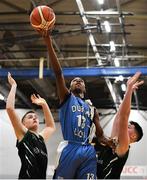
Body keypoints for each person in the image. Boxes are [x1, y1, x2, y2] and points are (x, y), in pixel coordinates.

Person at [41, 33, 112, 179]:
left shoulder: (92, 109)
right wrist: (48, 40)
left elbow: (99, 135)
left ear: (85, 88)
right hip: (70, 147)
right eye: (74, 80)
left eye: (81, 81)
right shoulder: (67, 99)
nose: (78, 81)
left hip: (88, 150)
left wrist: (109, 142)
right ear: (70, 86)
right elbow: (59, 74)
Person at [93, 72, 144, 179]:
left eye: (129, 127)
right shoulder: (114, 141)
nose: (126, 126)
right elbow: (118, 117)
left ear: (133, 136)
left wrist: (129, 88)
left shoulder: (123, 147)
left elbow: (124, 118)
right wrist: (126, 95)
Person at [6, 72, 56, 179]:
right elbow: (10, 109)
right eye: (30, 117)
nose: (34, 117)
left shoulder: (40, 138)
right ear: (23, 123)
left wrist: (44, 104)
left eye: (35, 116)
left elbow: (51, 127)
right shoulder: (24, 135)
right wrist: (14, 86)